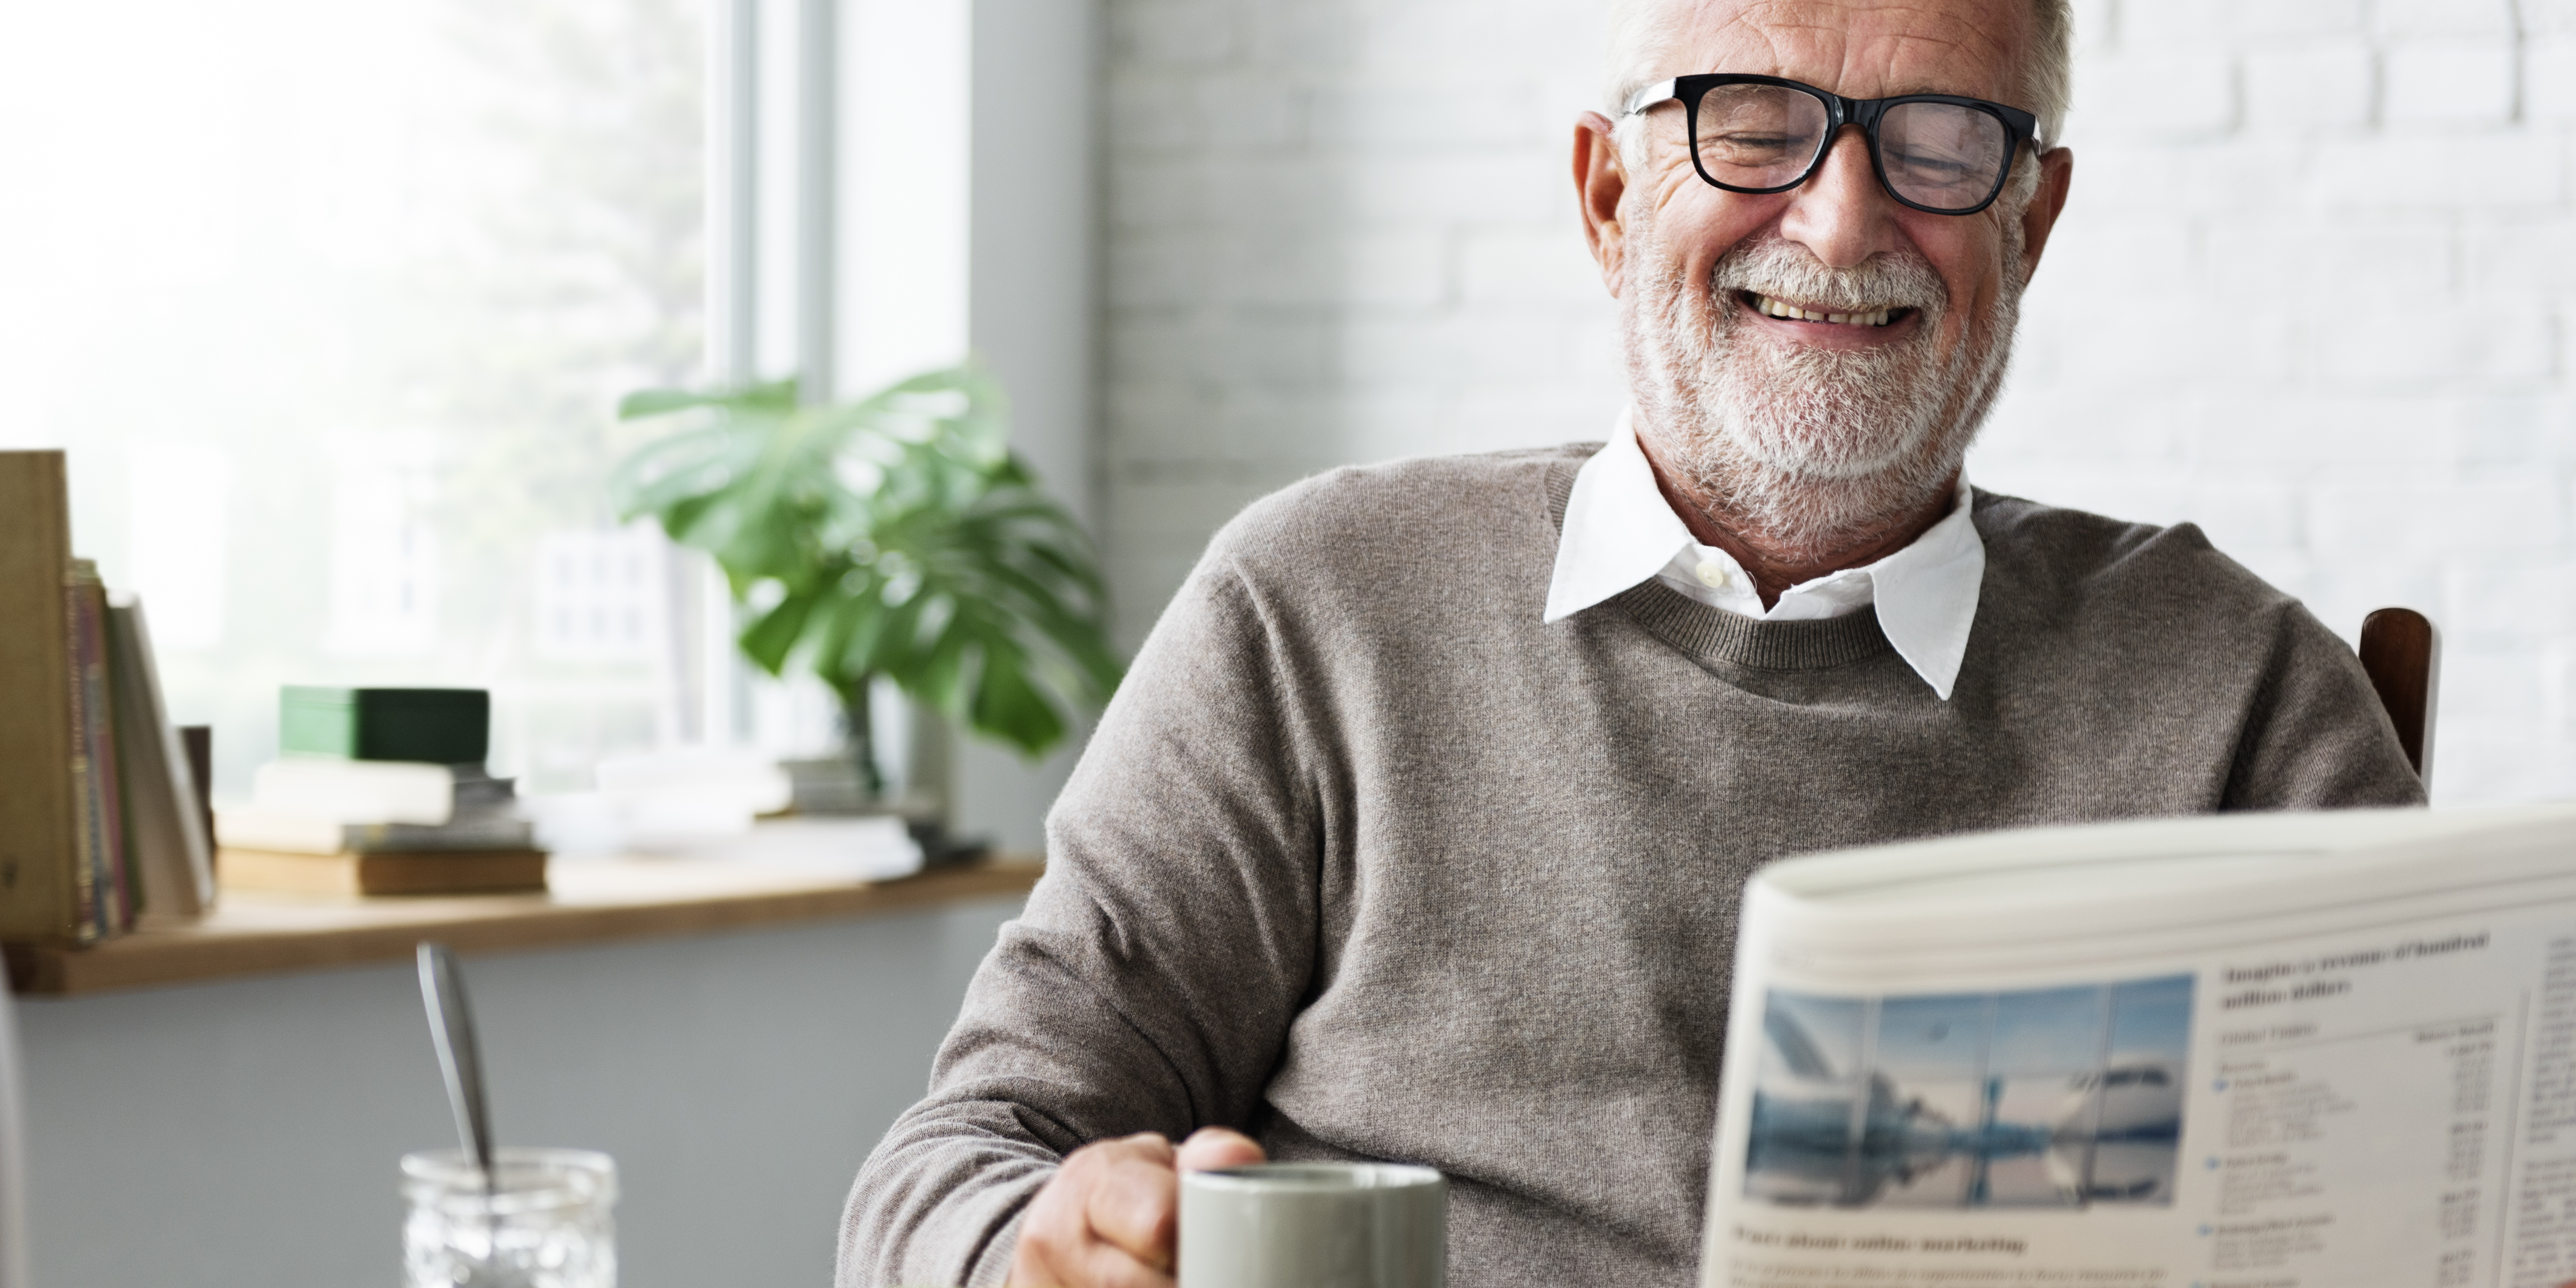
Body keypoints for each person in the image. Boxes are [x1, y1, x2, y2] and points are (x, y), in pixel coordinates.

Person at [838, 0, 2426, 1283]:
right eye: (1750, 123)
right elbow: (950, 1169)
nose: (1837, 215)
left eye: (1944, 142)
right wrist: (1035, 1240)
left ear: (2031, 220)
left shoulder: (2241, 695)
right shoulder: (1313, 607)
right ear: (1608, 194)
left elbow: (2442, 1206)